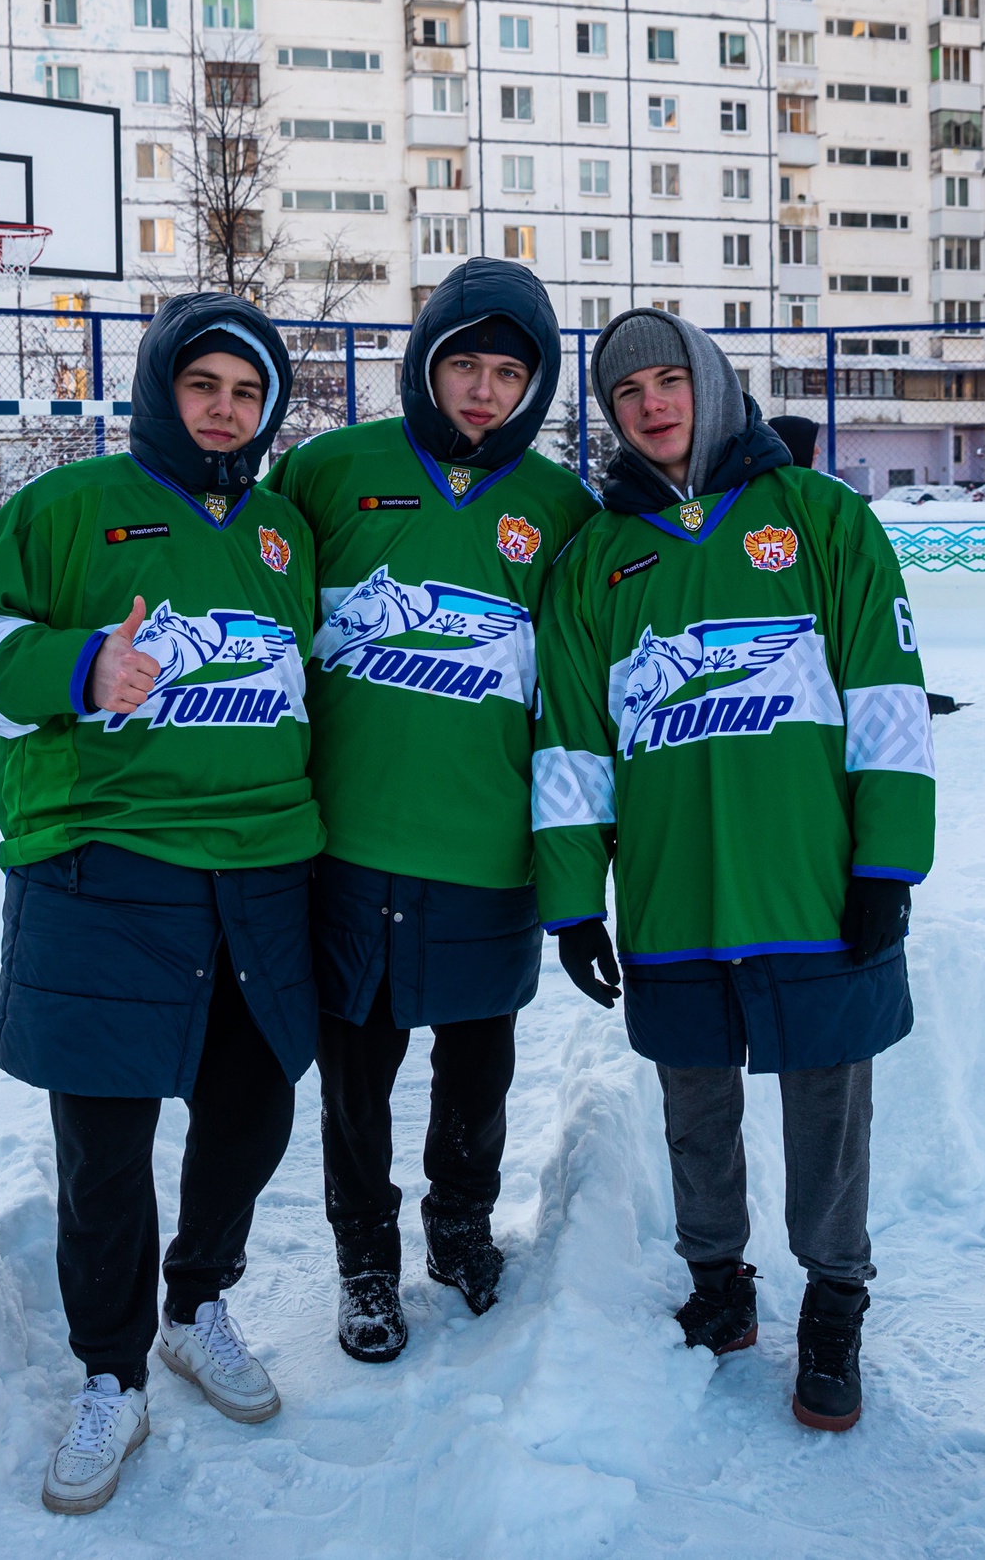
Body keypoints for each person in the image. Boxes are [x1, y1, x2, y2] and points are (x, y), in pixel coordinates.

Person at [0, 294, 323, 1516]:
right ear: (161, 390)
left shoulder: (282, 535)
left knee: (250, 1116)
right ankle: (111, 1372)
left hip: (263, 868)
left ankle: (196, 1307)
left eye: (248, 395)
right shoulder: (69, 505)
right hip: (107, 865)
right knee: (103, 1147)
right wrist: (76, 666)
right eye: (204, 386)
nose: (225, 411)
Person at [531, 309, 935, 1434]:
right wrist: (573, 901)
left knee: (827, 1104)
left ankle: (833, 1307)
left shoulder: (821, 518)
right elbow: (568, 742)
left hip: (811, 884)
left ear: (709, 383)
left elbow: (888, 696)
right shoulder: (594, 563)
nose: (652, 405)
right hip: (672, 891)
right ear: (608, 417)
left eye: (669, 380)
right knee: (693, 1100)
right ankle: (720, 1286)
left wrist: (888, 860)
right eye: (627, 394)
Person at [264, 258, 597, 1362]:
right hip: (349, 845)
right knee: (356, 1069)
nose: (484, 390)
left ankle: (457, 1224)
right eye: (465, 363)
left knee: (477, 1062)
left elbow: (577, 703)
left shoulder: (560, 510)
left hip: (485, 850)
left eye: (511, 371)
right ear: (424, 363)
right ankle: (365, 1259)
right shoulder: (327, 471)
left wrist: (574, 875)